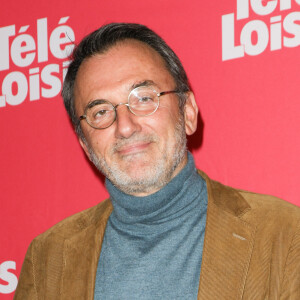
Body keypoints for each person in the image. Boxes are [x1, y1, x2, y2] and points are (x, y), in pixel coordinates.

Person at [14, 23, 300, 300]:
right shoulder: (47, 259)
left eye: (144, 98)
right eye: (100, 112)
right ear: (86, 146)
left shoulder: (284, 234)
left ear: (187, 112)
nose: (125, 126)